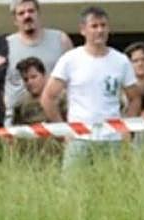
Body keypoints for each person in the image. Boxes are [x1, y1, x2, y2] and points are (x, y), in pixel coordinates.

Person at [40, 6, 138, 169]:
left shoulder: (121, 61)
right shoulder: (70, 59)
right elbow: (48, 97)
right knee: (72, 191)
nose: (100, 30)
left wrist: (127, 128)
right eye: (94, 26)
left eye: (103, 25)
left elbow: (135, 98)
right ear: (83, 30)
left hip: (112, 139)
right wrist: (63, 130)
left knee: (113, 190)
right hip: (79, 139)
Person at [4, 0, 70, 123]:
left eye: (31, 11)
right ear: (14, 19)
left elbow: (73, 78)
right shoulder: (5, 46)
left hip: (57, 119)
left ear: (39, 14)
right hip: (19, 121)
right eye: (21, 13)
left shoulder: (60, 39)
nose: (27, 16)